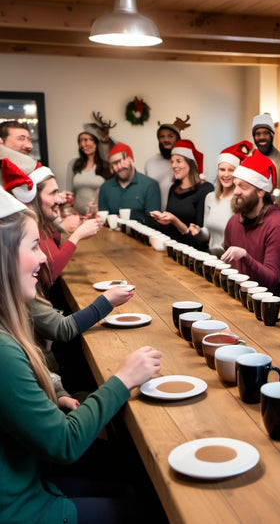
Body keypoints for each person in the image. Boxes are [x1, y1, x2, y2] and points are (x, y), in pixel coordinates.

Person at [0, 188, 162, 524]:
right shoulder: (4, 352)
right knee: (149, 504)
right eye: (33, 247)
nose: (45, 257)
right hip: (25, 507)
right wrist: (123, 378)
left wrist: (53, 394)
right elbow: (65, 443)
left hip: (32, 479)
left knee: (129, 471)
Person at [2, 160, 102, 289]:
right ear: (33, 198)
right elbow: (50, 273)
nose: (59, 199)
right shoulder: (28, 231)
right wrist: (77, 235)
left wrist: (79, 227)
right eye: (53, 193)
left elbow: (55, 243)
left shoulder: (43, 225)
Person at [222, 149, 280, 303]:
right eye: (235, 185)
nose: (236, 192)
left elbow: (271, 280)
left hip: (279, 301)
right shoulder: (234, 221)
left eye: (243, 187)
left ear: (261, 192)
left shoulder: (277, 224)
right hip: (247, 296)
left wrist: (245, 256)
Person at [189, 140, 252, 257]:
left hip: (234, 264)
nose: (226, 175)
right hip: (212, 259)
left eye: (231, 170)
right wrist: (198, 231)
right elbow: (207, 234)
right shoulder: (210, 198)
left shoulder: (242, 201)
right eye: (222, 169)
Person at [151, 139, 213, 250]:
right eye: (172, 161)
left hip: (192, 254)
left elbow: (199, 236)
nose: (174, 165)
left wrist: (174, 220)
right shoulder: (174, 188)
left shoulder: (204, 189)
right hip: (171, 249)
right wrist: (161, 221)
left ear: (190, 163)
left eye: (178, 161)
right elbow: (169, 227)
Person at [98, 142, 161, 224]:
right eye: (115, 163)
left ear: (131, 159)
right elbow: (103, 220)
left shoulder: (150, 185)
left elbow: (154, 222)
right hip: (112, 234)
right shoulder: (105, 187)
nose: (120, 166)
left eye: (123, 160)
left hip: (141, 235)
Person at [252, 113, 280, 217]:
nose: (261, 137)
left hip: (274, 221)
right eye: (257, 133)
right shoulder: (248, 160)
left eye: (266, 133)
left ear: (272, 135)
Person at [66, 130, 112, 215]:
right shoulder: (75, 164)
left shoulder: (106, 166)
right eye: (80, 141)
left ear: (96, 142)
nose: (83, 144)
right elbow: (69, 193)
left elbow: (111, 194)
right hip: (77, 215)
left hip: (99, 215)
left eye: (86, 140)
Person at [144, 122, 181, 210]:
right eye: (162, 136)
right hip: (156, 215)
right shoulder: (150, 163)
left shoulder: (186, 163)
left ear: (177, 139)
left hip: (180, 215)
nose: (166, 140)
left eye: (170, 136)